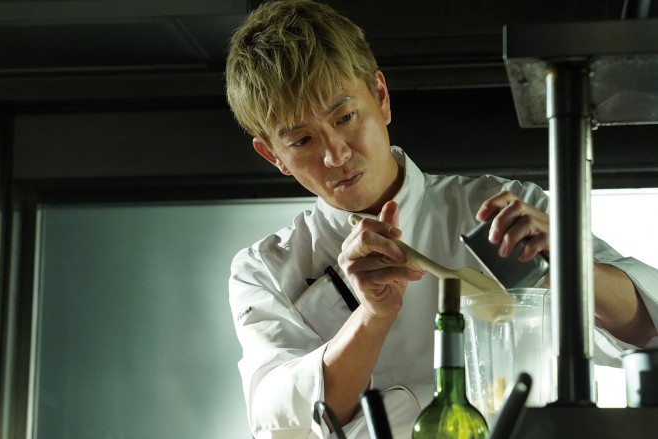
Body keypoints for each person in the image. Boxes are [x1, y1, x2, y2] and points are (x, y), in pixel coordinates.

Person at [226, 1, 658, 437]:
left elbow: (648, 329)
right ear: (273, 155)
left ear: (381, 97)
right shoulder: (265, 268)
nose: (336, 154)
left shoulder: (504, 206)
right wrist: (372, 316)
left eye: (345, 117)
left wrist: (568, 266)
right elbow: (283, 419)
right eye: (301, 140)